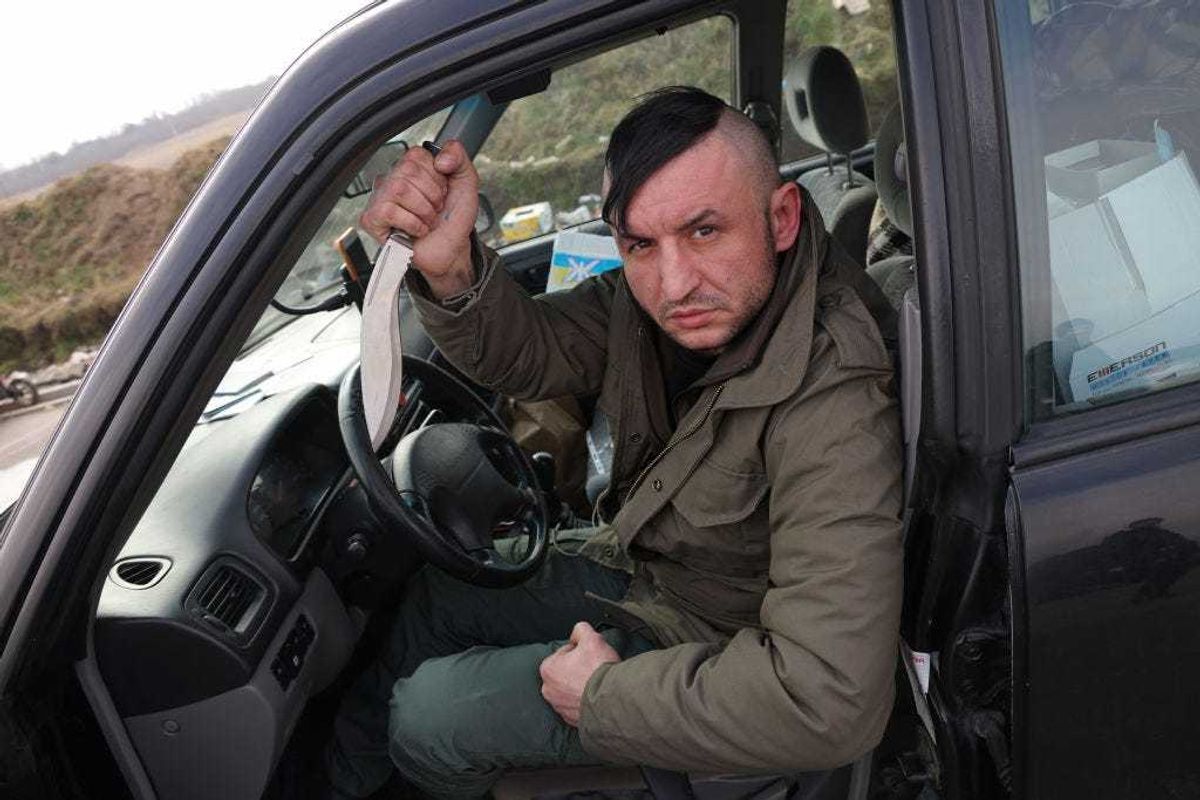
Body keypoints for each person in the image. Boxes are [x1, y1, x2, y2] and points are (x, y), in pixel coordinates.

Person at [326, 86, 903, 799]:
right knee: (436, 599)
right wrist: (449, 268)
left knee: (428, 718)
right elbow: (529, 353)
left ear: (781, 218)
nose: (674, 283)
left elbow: (829, 700)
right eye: (640, 244)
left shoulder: (833, 391)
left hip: (721, 646)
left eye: (705, 232)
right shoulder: (651, 303)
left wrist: (604, 695)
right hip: (649, 569)